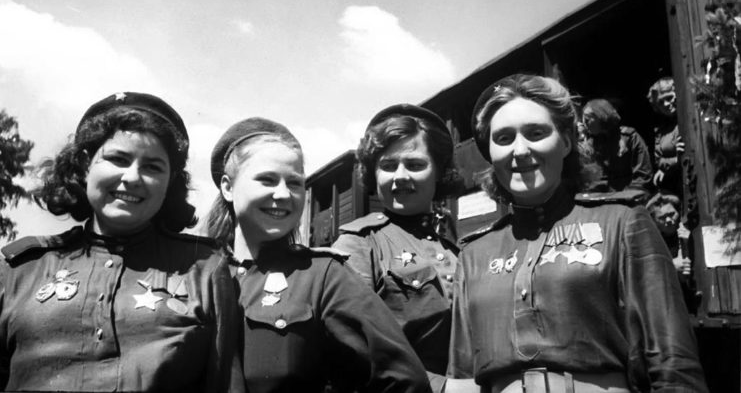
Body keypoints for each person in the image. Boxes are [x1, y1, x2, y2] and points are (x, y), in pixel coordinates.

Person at [448, 74, 708, 392]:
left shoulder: (622, 223)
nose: (519, 149)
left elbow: (674, 365)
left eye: (536, 132)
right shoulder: (473, 255)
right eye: (503, 138)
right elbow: (461, 378)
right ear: (491, 153)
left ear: (567, 142)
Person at [0, 92, 239, 392]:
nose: (132, 177)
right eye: (117, 159)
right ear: (86, 165)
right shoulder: (20, 269)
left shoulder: (204, 269)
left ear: (171, 179)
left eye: (153, 167)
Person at [206, 117, 432, 393]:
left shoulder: (323, 275)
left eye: (295, 183)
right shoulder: (195, 274)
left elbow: (405, 381)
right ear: (228, 187)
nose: (283, 194)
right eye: (267, 180)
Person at [331, 104, 470, 393]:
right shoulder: (359, 243)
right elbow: (352, 350)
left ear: (439, 172)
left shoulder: (453, 246)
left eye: (416, 165)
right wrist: (444, 388)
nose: (400, 176)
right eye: (388, 165)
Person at [580, 98, 653, 196]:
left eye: (587, 120)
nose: (584, 124)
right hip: (601, 198)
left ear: (601, 116)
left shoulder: (629, 137)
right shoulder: (590, 143)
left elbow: (643, 174)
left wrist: (627, 195)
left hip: (628, 196)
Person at [647, 77, 685, 196]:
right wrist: (676, 161)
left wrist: (667, 166)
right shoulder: (661, 130)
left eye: (669, 98)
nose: (666, 104)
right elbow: (658, 160)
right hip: (674, 188)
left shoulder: (688, 122)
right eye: (660, 102)